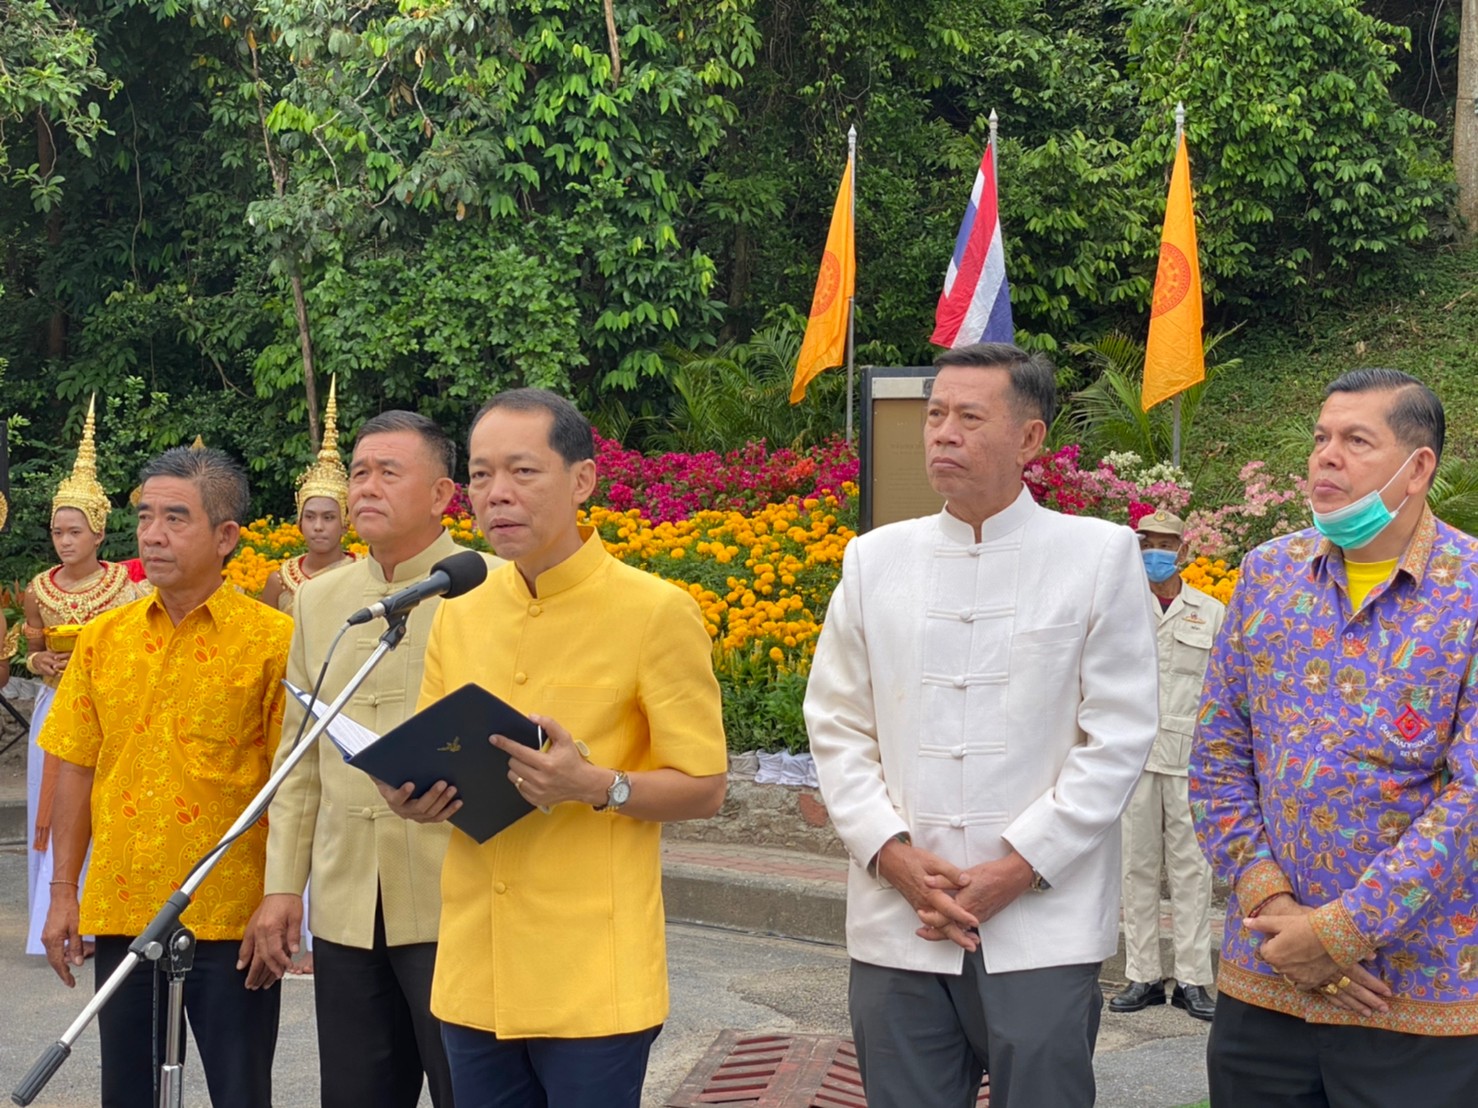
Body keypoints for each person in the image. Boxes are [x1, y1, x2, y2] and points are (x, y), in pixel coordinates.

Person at [804, 342, 1159, 1108]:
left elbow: (1121, 733)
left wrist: (1021, 864)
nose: (943, 434)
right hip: (901, 918)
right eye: (935, 416)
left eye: (970, 417)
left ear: (1030, 439)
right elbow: (836, 723)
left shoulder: (1097, 555)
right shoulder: (873, 561)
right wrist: (889, 852)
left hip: (1041, 917)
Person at [378, 388, 728, 1108]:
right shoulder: (459, 613)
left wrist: (597, 785)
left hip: (592, 977)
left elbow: (705, 786)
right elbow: (438, 761)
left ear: (583, 480)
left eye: (522, 472)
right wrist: (414, 795)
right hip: (477, 969)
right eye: (480, 475)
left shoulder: (655, 612)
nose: (496, 495)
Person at [1192, 368, 1478, 1106]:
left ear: (1419, 468)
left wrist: (1344, 933)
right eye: (1322, 438)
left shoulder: (1470, 591)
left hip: (1414, 991)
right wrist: (1282, 916)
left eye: (1356, 440)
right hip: (1267, 976)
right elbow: (1219, 756)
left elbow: (1470, 801)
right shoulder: (1267, 575)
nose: (1326, 456)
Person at [244, 410, 490, 1108]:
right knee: (354, 1093)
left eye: (389, 472)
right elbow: (298, 758)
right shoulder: (322, 601)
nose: (366, 487)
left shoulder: (493, 588)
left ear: (443, 494)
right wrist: (284, 885)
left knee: (466, 1091)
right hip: (349, 900)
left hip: (458, 895)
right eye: (358, 472)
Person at [39, 445, 292, 1108]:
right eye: (146, 516)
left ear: (226, 535)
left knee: (241, 1092)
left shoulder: (274, 642)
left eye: (176, 518)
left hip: (232, 915)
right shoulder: (104, 639)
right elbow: (75, 766)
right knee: (128, 1092)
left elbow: (295, 784)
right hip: (124, 907)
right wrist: (63, 892)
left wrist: (284, 898)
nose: (153, 534)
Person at [23, 396, 141, 956]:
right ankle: (51, 917)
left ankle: (99, 918)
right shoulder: (38, 589)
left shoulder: (126, 587)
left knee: (99, 807)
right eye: (56, 532)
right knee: (49, 813)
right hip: (53, 707)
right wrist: (38, 662)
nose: (64, 542)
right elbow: (34, 651)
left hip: (107, 710)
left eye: (74, 531)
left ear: (98, 532)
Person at [1108, 509, 1223, 1022]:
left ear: (1182, 550)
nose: (1155, 552)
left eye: (1164, 543)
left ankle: (1195, 979)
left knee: (1191, 873)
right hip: (1132, 758)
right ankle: (1144, 976)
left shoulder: (1210, 612)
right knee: (1135, 866)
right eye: (1146, 543)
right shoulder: (1119, 608)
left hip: (1190, 759)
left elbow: (1223, 692)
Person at [260, 377, 358, 614]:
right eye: (310, 517)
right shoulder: (280, 581)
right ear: (299, 523)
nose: (318, 526)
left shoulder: (363, 574)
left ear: (345, 524)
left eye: (329, 517)